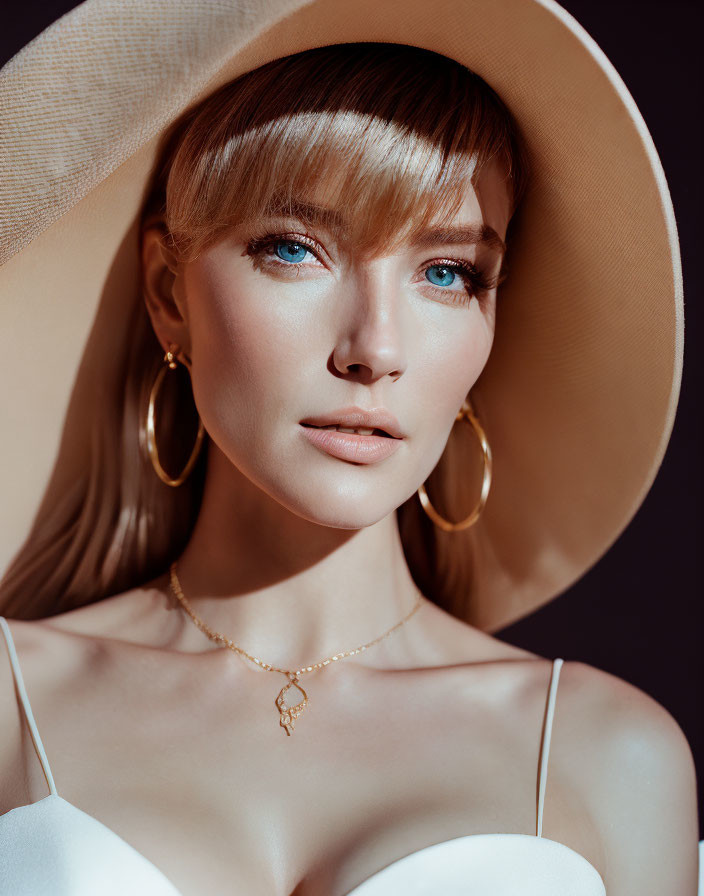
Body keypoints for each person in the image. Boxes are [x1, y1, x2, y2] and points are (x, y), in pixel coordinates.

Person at [0, 2, 698, 895]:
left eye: (447, 273)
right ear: (169, 291)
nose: (376, 348)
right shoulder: (15, 702)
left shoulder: (608, 752)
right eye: (295, 249)